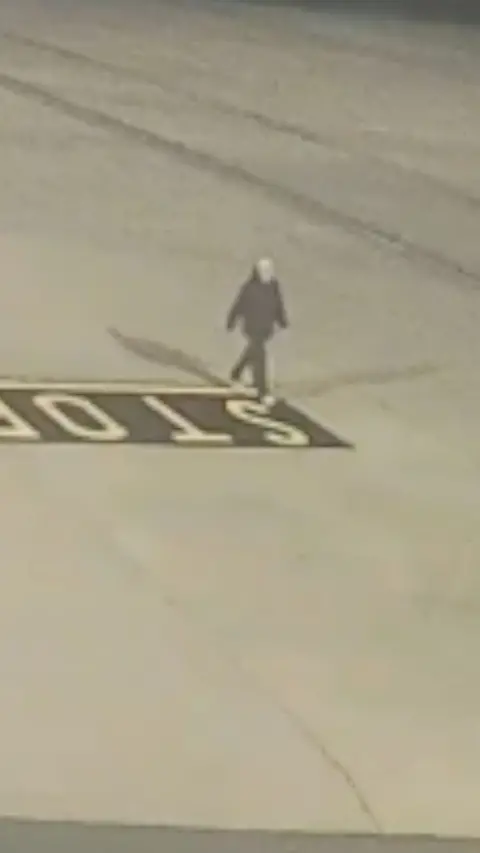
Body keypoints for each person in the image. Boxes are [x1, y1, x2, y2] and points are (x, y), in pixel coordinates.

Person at [226, 258, 289, 404]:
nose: (268, 274)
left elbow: (278, 304)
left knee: (253, 351)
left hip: (266, 329)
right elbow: (239, 305)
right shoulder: (249, 288)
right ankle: (263, 391)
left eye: (269, 271)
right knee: (260, 359)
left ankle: (236, 373)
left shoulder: (274, 286)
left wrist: (282, 322)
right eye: (265, 271)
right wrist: (231, 321)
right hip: (252, 328)